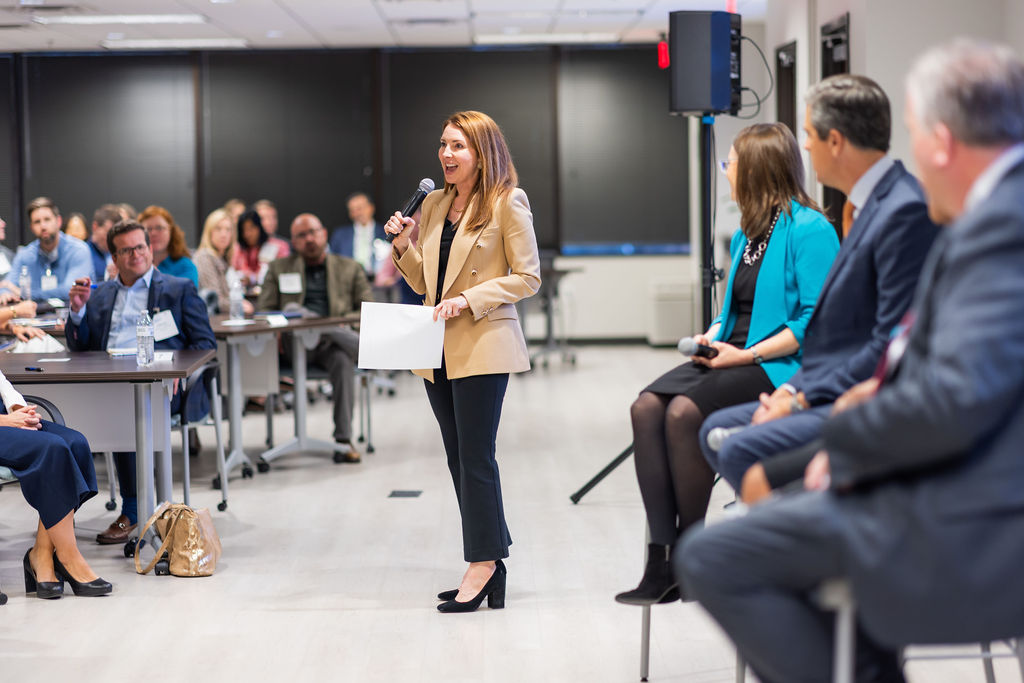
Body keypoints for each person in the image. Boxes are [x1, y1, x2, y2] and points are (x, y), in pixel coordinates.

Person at [676, 40, 1024, 683]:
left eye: (917, 138)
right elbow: (923, 352)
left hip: (980, 514)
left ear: (943, 142)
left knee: (716, 554)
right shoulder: (985, 216)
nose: (913, 156)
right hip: (950, 466)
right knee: (751, 493)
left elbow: (955, 397)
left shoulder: (999, 226)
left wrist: (842, 442)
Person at [614, 123, 839, 607]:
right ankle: (661, 559)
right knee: (646, 408)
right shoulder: (747, 232)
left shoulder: (811, 229)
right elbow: (729, 313)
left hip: (778, 364)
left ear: (756, 169)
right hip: (730, 353)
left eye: (730, 163)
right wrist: (709, 338)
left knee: (683, 415)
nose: (726, 172)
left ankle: (694, 558)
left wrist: (749, 353)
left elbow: (814, 321)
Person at [699, 75, 938, 497]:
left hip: (861, 395)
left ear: (836, 141)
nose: (804, 147)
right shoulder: (865, 205)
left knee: (732, 445)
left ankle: (804, 544)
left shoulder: (902, 211)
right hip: (823, 380)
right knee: (713, 430)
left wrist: (799, 396)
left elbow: (888, 342)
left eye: (809, 135)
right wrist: (795, 389)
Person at [384, 110, 541, 613]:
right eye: (443, 145)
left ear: (482, 153)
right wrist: (402, 247)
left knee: (476, 457)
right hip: (437, 349)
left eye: (457, 146)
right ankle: (491, 559)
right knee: (459, 458)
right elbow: (422, 283)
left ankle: (482, 564)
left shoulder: (506, 203)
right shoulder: (432, 204)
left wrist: (471, 298)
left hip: (482, 344)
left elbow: (528, 277)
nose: (446, 155)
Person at [66, 221, 215, 544]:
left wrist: (179, 370)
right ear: (114, 257)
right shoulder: (101, 293)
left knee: (132, 407)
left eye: (141, 247)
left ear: (150, 249)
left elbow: (204, 344)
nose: (136, 255)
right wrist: (76, 314)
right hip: (108, 383)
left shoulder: (177, 289)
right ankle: (64, 516)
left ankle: (138, 510)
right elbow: (81, 348)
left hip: (163, 385)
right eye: (126, 250)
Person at [258, 213, 372, 461]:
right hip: (293, 343)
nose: (309, 239)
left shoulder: (350, 267)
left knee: (342, 361)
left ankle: (343, 440)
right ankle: (359, 345)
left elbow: (367, 308)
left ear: (324, 234)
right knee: (292, 310)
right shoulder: (279, 268)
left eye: (313, 232)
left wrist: (342, 322)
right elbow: (265, 310)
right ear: (293, 241)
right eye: (301, 235)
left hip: (331, 347)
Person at [0, 370, 112, 598]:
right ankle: (68, 557)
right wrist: (5, 421)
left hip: (6, 419)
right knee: (52, 449)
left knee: (75, 442)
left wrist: (18, 410)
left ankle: (42, 553)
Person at [2, 197, 92, 304]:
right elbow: (7, 284)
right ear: (31, 227)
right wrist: (4, 293)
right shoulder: (25, 254)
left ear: (58, 221)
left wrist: (25, 294)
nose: (43, 226)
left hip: (71, 316)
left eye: (47, 219)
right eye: (37, 222)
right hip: (34, 317)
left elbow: (70, 291)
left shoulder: (78, 250)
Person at [194, 208, 252, 315]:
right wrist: (239, 305)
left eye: (228, 229)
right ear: (209, 232)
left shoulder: (223, 258)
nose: (223, 234)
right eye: (218, 229)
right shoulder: (204, 258)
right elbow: (214, 299)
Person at [138, 205, 199, 288]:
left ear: (171, 231)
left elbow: (186, 296)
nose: (153, 233)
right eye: (148, 229)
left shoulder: (185, 266)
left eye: (159, 228)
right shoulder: (134, 264)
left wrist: (156, 277)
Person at [330, 192, 388, 279]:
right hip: (349, 282)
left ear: (371, 208)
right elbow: (332, 262)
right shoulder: (340, 235)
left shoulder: (386, 232)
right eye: (352, 210)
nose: (357, 213)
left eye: (360, 208)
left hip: (378, 283)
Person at [232, 208, 285, 286]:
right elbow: (234, 272)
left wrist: (252, 278)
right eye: (244, 230)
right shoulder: (238, 249)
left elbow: (280, 275)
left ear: (259, 226)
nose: (247, 234)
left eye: (251, 228)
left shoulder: (277, 246)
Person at [87, 204, 120, 283]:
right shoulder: (84, 252)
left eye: (116, 235)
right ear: (95, 227)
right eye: (108, 233)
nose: (113, 239)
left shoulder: (118, 253)